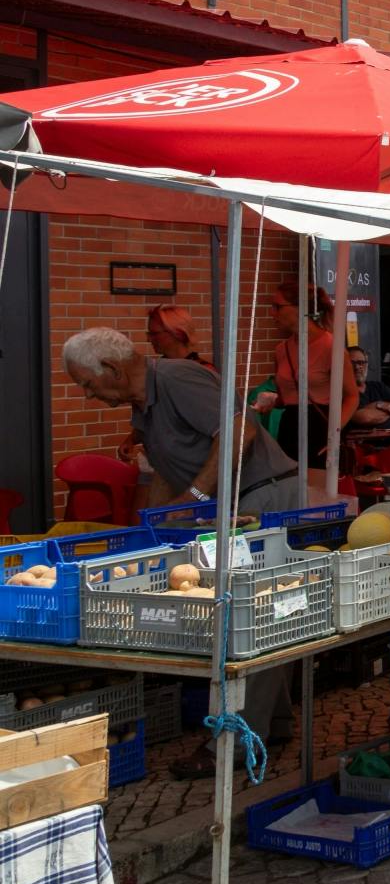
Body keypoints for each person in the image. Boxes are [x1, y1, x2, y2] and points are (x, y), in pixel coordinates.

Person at [63, 328, 298, 778]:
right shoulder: (144, 406)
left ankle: (232, 747)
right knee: (259, 617)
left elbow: (239, 431)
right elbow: (168, 473)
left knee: (246, 617)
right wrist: (151, 526)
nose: (88, 396)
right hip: (234, 505)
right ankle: (272, 724)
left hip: (259, 499)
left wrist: (193, 495)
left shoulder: (178, 379)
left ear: (110, 370)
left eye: (87, 385)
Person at [254, 286, 358, 467]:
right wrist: (271, 400)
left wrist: (333, 434)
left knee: (317, 488)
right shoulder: (281, 349)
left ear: (299, 308)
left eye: (277, 307)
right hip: (290, 425)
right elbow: (288, 397)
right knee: (291, 484)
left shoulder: (330, 347)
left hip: (321, 426)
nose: (272, 313)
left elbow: (352, 396)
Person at [346, 346, 390, 428]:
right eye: (352, 363)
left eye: (361, 362)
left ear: (366, 365)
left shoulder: (378, 386)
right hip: (368, 440)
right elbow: (365, 417)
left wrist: (378, 405)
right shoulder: (343, 392)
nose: (357, 367)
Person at [144, 303, 209, 365]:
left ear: (179, 334)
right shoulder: (156, 369)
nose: (148, 339)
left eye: (155, 334)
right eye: (149, 334)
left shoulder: (202, 372)